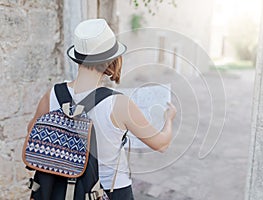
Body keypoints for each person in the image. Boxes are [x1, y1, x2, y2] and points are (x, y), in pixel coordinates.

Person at [27, 19, 177, 200]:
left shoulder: (53, 94)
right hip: (110, 192)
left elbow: (32, 133)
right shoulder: (119, 104)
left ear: (78, 57)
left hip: (58, 190)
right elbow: (161, 144)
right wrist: (169, 119)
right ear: (111, 59)